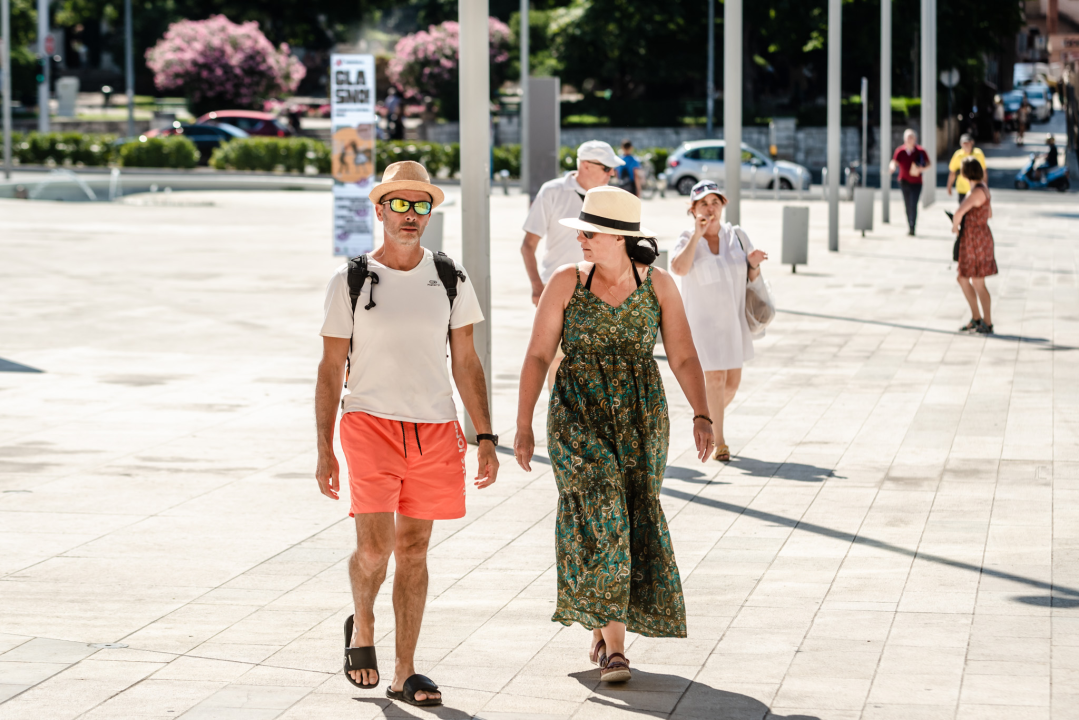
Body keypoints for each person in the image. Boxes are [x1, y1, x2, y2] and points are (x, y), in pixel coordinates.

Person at [315, 161, 499, 707]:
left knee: (414, 550)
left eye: (421, 205)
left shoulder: (449, 277)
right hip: (368, 423)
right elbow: (329, 368)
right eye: (400, 204)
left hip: (435, 429)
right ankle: (364, 628)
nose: (411, 215)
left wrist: (484, 434)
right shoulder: (350, 279)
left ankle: (405, 671)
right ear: (380, 211)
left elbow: (466, 360)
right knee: (374, 549)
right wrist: (324, 447)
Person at [514, 186, 715, 684]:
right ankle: (617, 652)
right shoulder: (567, 282)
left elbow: (685, 356)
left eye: (591, 232)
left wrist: (703, 414)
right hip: (576, 416)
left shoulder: (659, 285)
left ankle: (604, 629)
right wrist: (521, 426)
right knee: (605, 512)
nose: (581, 238)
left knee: (630, 517)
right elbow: (538, 355)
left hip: (641, 419)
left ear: (621, 238)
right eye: (581, 230)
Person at [669, 180, 768, 462]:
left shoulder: (736, 236)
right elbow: (678, 268)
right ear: (693, 209)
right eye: (703, 204)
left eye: (715, 202)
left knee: (731, 385)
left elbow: (752, 278)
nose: (710, 208)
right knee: (714, 378)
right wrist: (697, 235)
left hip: (732, 324)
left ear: (723, 205)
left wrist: (754, 264)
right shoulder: (687, 237)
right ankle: (720, 442)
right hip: (701, 326)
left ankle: (707, 419)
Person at [521, 140, 624, 386]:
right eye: (607, 168)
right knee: (556, 359)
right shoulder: (552, 192)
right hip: (556, 291)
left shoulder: (612, 198)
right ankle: (559, 418)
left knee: (600, 363)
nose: (613, 174)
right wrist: (537, 286)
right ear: (586, 165)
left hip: (601, 292)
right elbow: (528, 245)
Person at [951, 156, 997, 335]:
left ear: (965, 173)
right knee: (963, 278)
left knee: (977, 282)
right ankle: (976, 318)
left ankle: (987, 322)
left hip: (975, 240)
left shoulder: (976, 192)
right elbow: (990, 214)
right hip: (978, 237)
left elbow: (958, 213)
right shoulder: (983, 188)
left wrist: (955, 228)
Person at [889, 129, 931, 236]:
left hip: (916, 182)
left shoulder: (920, 151)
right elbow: (894, 161)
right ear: (904, 139)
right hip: (904, 181)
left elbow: (928, 164)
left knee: (913, 204)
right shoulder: (900, 151)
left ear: (915, 139)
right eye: (908, 137)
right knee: (907, 204)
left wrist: (921, 169)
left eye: (911, 137)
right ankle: (909, 224)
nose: (909, 140)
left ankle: (913, 226)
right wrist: (892, 167)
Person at [947, 133, 987, 203]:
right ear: (961, 144)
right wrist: (949, 186)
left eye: (967, 142)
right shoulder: (958, 155)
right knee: (963, 211)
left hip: (976, 188)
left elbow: (984, 171)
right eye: (964, 143)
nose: (966, 145)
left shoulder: (978, 153)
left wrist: (985, 186)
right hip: (962, 189)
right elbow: (952, 172)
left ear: (972, 142)